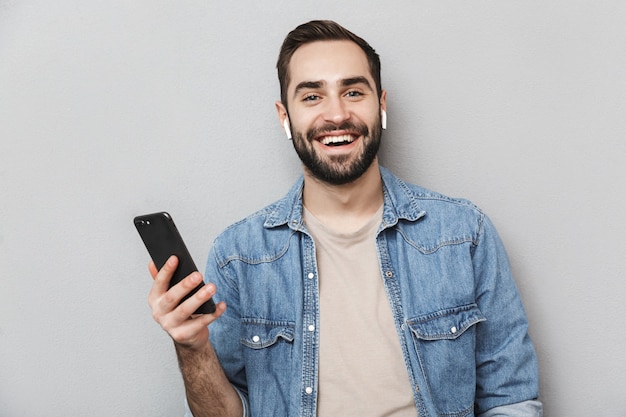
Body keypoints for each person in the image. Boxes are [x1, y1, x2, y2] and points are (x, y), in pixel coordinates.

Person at [148, 20, 543, 417]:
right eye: (312, 96)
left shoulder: (463, 234)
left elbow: (511, 400)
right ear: (284, 116)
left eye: (353, 92)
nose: (336, 114)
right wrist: (192, 348)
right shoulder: (238, 256)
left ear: (381, 104)